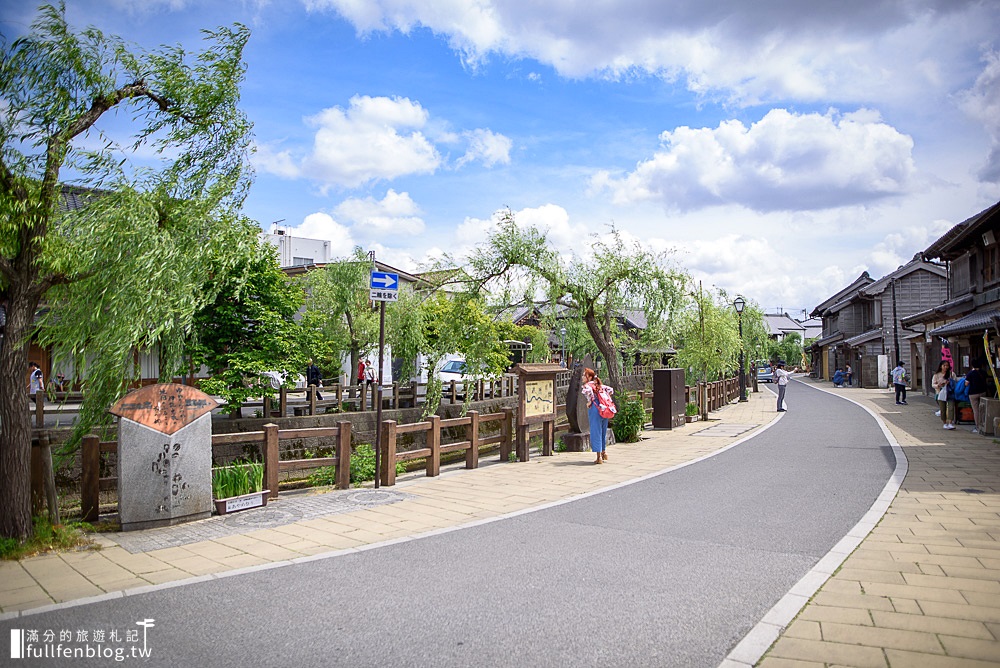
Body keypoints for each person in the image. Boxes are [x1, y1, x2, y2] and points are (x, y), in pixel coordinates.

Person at [582, 367, 614, 464]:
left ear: (589, 377)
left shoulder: (587, 386)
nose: (583, 377)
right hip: (604, 409)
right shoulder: (600, 385)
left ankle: (599, 457)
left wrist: (589, 403)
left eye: (584, 375)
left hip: (595, 410)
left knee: (596, 432)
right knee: (603, 431)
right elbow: (610, 391)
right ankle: (604, 453)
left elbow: (589, 396)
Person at [965, 358, 992, 434]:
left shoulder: (970, 373)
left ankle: (977, 427)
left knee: (976, 410)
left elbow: (966, 384)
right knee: (983, 410)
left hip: (973, 393)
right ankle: (983, 426)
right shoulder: (983, 372)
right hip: (983, 392)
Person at [932, 360, 956, 430]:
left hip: (950, 393)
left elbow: (955, 382)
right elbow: (933, 384)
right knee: (943, 409)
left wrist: (950, 383)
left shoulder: (952, 374)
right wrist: (938, 385)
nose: (946, 367)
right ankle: (945, 423)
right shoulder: (936, 375)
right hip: (940, 393)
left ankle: (950, 423)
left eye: (947, 366)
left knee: (951, 408)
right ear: (941, 366)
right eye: (944, 365)